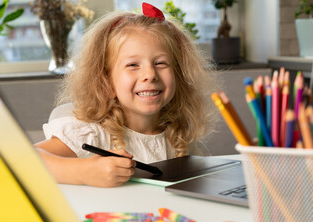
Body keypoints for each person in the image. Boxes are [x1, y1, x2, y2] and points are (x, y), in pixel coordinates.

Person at [35, 3, 219, 188]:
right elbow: (26, 159)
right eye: (133, 65)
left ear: (179, 75)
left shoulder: (177, 135)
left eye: (161, 63)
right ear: (106, 80)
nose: (150, 74)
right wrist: (84, 171)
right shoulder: (91, 133)